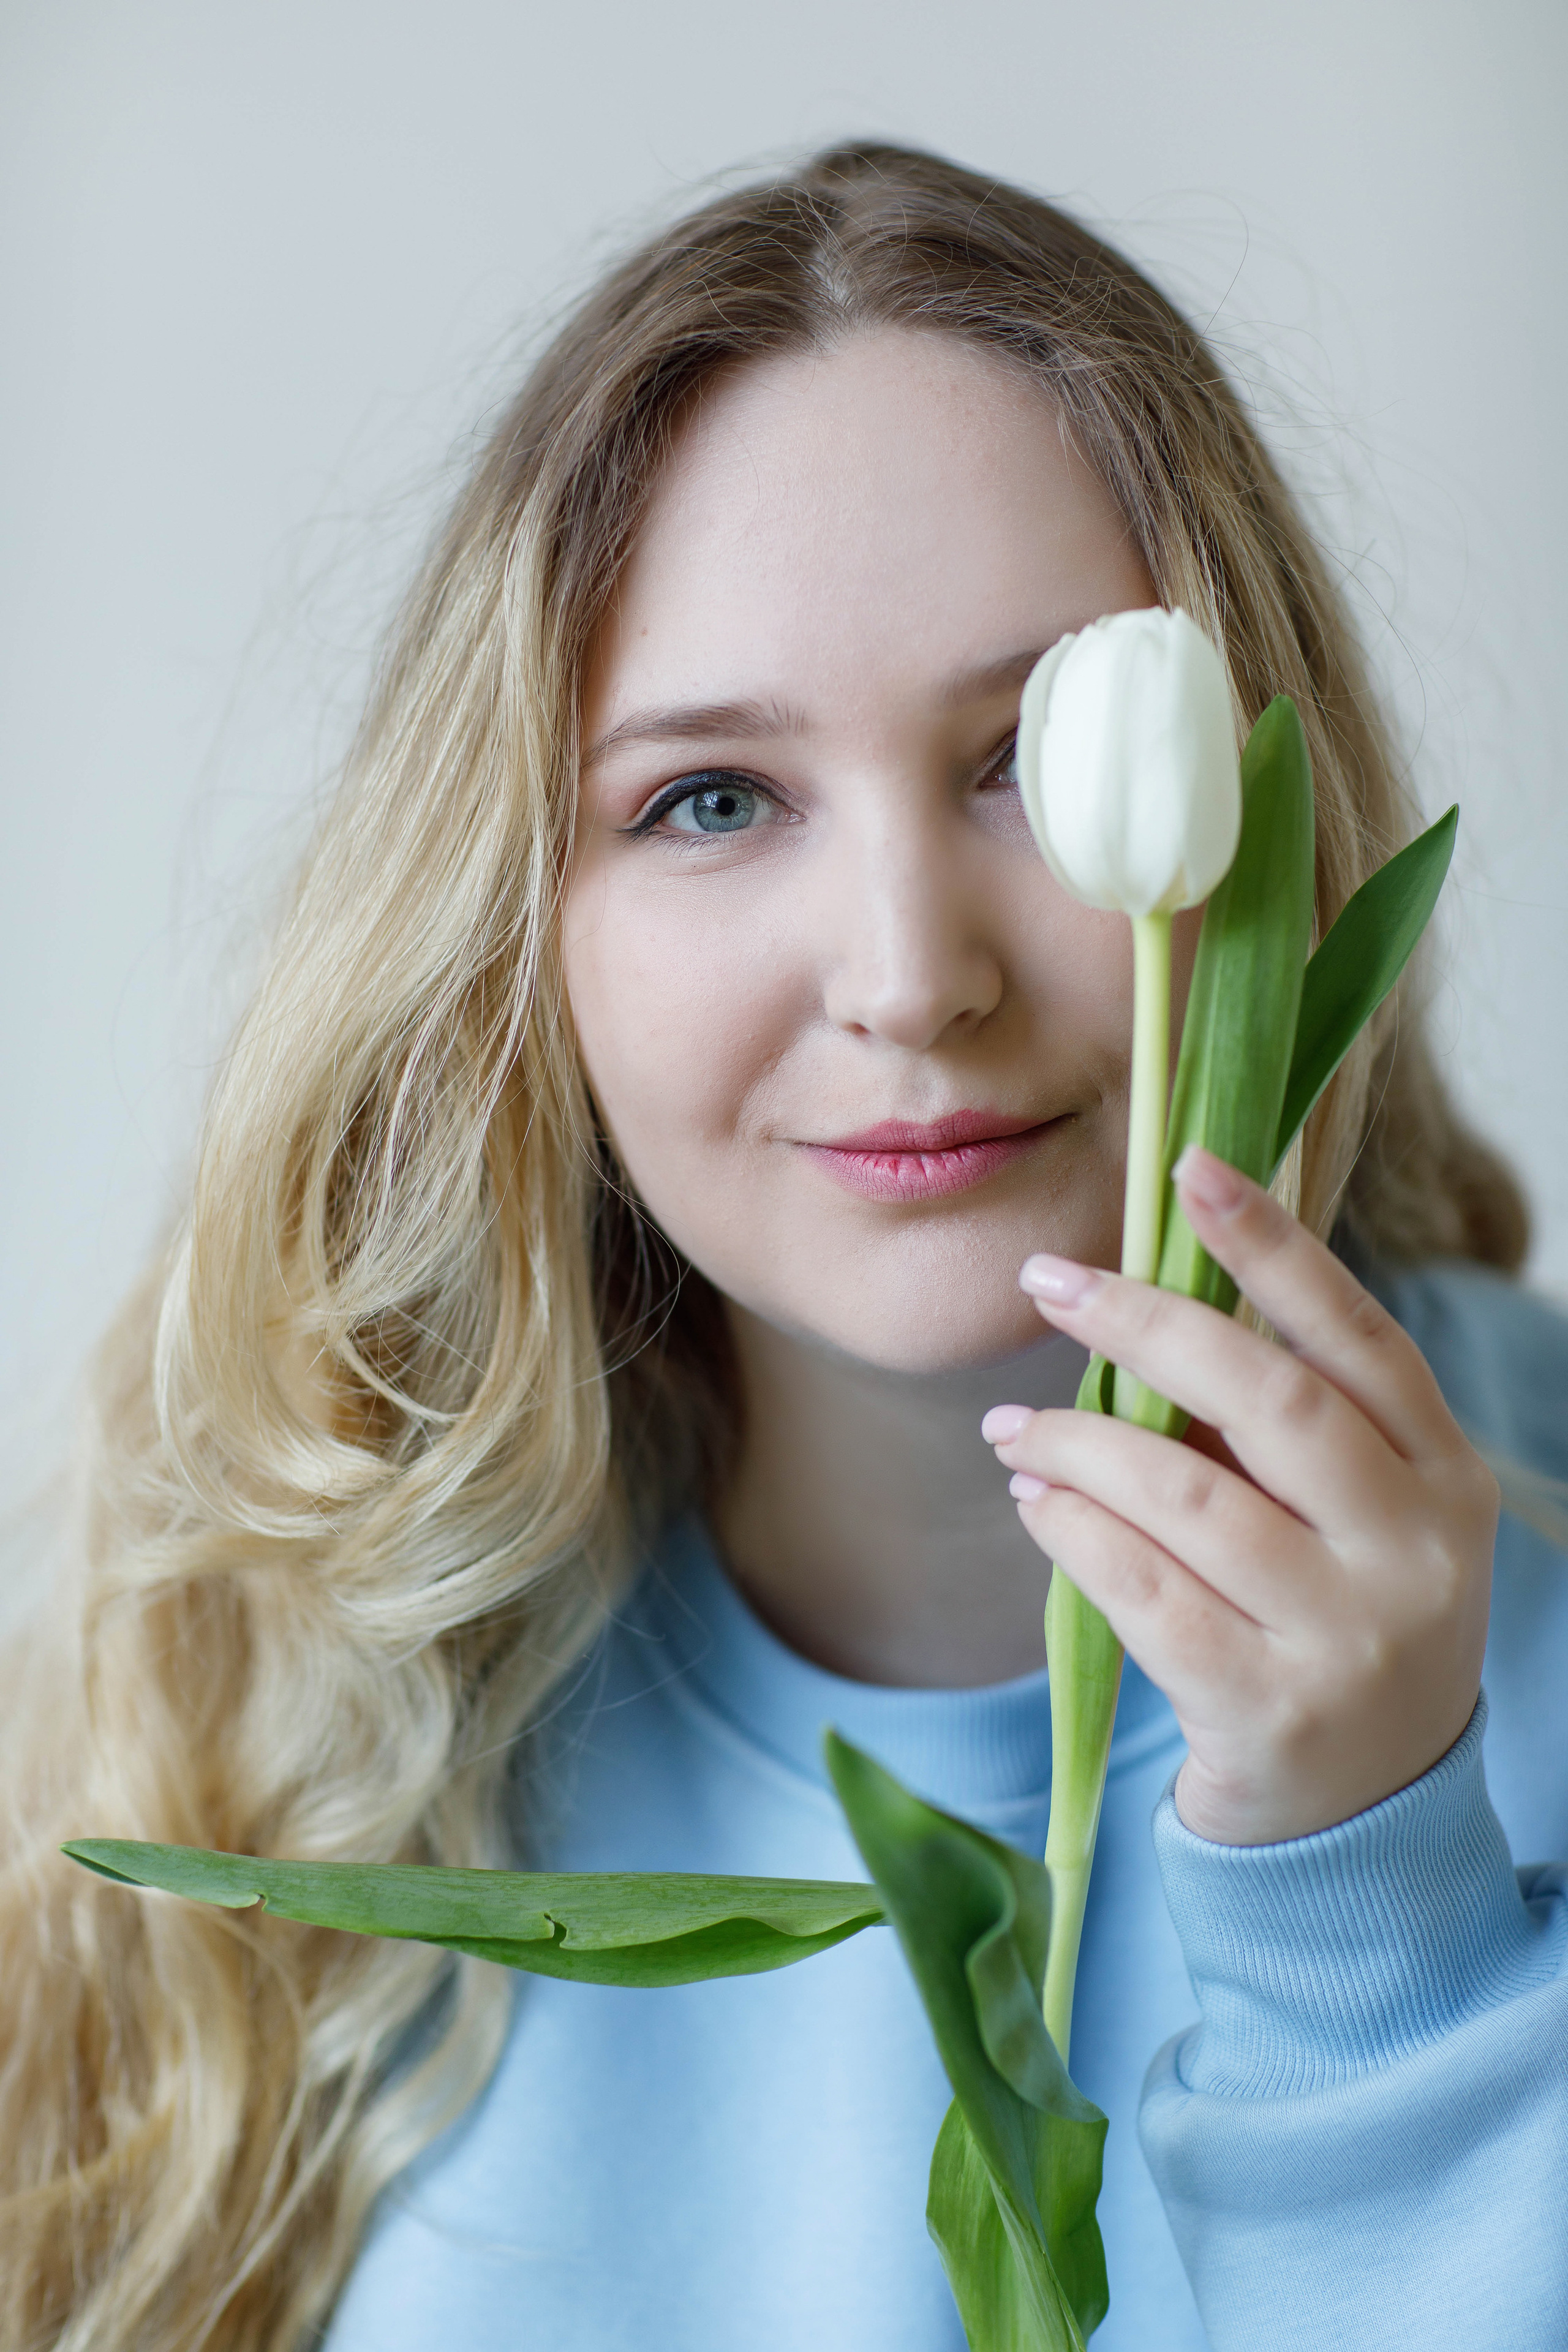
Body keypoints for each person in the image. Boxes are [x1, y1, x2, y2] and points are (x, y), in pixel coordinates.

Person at [2, 140, 1566, 2352]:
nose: (913, 977)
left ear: (1264, 797)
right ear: (511, 933)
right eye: (711, 801)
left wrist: (1368, 1903)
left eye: (1028, 755)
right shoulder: (298, 1708)